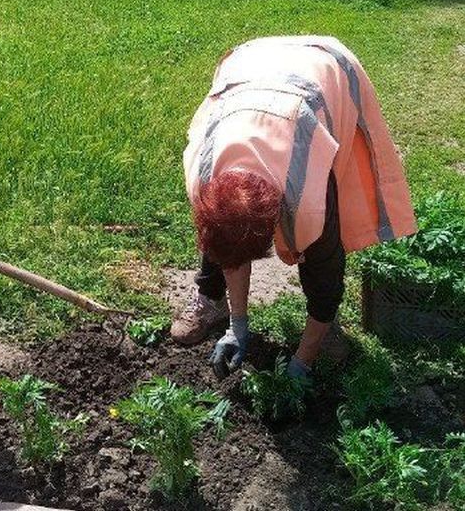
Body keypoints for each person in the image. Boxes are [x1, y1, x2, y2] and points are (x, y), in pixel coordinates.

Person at [172, 36, 417, 381]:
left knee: (320, 255)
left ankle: (324, 327)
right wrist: (237, 327)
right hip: (249, 68)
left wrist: (302, 362)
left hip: (322, 72)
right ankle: (211, 301)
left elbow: (327, 275)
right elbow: (228, 248)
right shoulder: (205, 175)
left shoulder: (308, 195)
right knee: (224, 232)